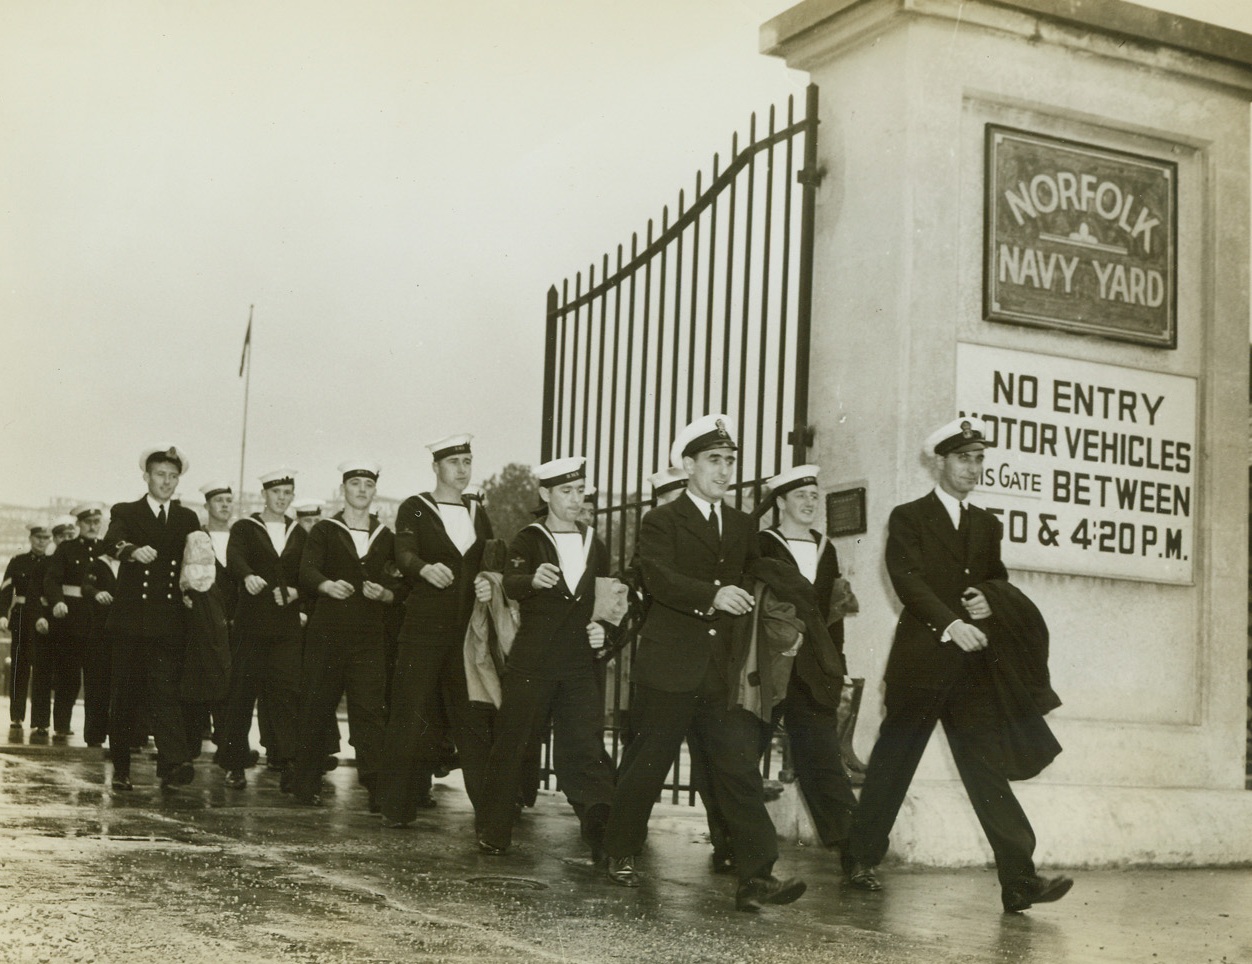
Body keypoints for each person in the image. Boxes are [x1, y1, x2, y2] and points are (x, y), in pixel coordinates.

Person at [843, 418, 1073, 914]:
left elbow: (996, 581)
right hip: (922, 662)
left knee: (985, 770)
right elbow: (907, 581)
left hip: (972, 670)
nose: (974, 468)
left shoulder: (986, 525)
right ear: (939, 462)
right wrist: (952, 624)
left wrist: (990, 602)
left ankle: (1019, 880)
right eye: (964, 458)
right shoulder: (909, 517)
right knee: (893, 764)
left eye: (979, 459)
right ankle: (860, 859)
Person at [600, 414, 806, 913]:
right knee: (647, 766)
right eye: (714, 460)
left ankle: (758, 874)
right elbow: (660, 578)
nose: (724, 470)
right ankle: (618, 850)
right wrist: (713, 595)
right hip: (670, 667)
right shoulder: (661, 521)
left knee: (737, 769)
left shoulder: (739, 525)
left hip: (719, 672)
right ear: (688, 465)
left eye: (730, 461)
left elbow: (757, 575)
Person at [474, 456, 616, 859]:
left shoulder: (595, 544)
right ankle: (493, 830)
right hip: (533, 661)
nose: (575, 499)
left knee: (584, 750)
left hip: (577, 665)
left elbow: (606, 600)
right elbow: (512, 584)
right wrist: (532, 580)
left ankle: (604, 841)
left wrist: (604, 629)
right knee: (513, 744)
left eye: (579, 491)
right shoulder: (528, 539)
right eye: (566, 492)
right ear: (546, 495)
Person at [378, 433, 493, 826]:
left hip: (465, 633)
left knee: (472, 718)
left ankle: (490, 814)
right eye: (453, 463)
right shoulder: (415, 507)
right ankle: (396, 807)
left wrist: (488, 580)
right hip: (424, 628)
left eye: (467, 462)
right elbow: (403, 551)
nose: (461, 470)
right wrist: (423, 568)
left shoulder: (478, 511)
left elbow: (491, 558)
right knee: (409, 713)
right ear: (436, 467)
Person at [756, 464, 858, 857]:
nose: (809, 503)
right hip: (771, 667)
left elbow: (833, 613)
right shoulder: (763, 543)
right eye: (801, 496)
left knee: (822, 758)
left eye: (814, 496)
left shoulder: (824, 547)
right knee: (745, 753)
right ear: (780, 501)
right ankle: (730, 843)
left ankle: (854, 855)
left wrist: (838, 667)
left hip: (814, 671)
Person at [290, 461, 400, 809]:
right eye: (355, 483)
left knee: (369, 710)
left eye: (368, 483)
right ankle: (305, 782)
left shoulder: (386, 536)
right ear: (343, 489)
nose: (362, 489)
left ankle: (377, 786)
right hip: (328, 634)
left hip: (368, 637)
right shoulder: (324, 530)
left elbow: (400, 583)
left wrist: (385, 594)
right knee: (316, 706)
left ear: (374, 490)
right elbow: (306, 570)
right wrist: (325, 584)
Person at [103, 445, 203, 790]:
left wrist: (196, 586)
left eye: (173, 476)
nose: (167, 481)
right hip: (131, 620)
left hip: (169, 619)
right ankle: (121, 768)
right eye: (160, 474)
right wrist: (131, 551)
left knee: (165, 692)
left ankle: (173, 763)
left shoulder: (186, 518)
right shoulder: (127, 511)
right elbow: (110, 542)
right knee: (125, 695)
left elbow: (197, 559)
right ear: (146, 476)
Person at [219, 468, 306, 788]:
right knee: (242, 694)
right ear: (264, 495)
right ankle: (234, 763)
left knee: (286, 694)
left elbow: (308, 571)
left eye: (287, 494)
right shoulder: (246, 527)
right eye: (276, 493)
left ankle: (288, 763)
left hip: (285, 627)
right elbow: (234, 557)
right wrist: (246, 575)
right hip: (251, 625)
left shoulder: (299, 532)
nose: (282, 499)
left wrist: (299, 591)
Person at [44, 503, 107, 740]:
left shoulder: (105, 549)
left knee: (97, 680)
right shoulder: (66, 549)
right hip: (70, 621)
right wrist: (57, 601)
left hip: (99, 622)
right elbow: (52, 580)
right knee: (67, 676)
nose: (92, 526)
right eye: (87, 522)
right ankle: (61, 726)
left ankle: (95, 735)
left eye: (96, 522)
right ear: (78, 525)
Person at [28, 517, 77, 739]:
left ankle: (62, 724)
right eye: (63, 537)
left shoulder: (78, 565)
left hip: (70, 628)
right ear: (55, 539)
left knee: (68, 676)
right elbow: (34, 595)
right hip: (47, 627)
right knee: (42, 675)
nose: (67, 540)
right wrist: (39, 618)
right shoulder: (43, 565)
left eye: (71, 536)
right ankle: (40, 723)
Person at [1, 523, 52, 731]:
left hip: (44, 619)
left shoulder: (52, 563)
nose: (41, 541)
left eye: (45, 538)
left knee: (43, 669)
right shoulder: (18, 561)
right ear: (31, 539)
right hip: (22, 617)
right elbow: (6, 590)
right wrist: (3, 615)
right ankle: (16, 716)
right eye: (38, 537)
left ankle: (40, 722)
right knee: (19, 668)